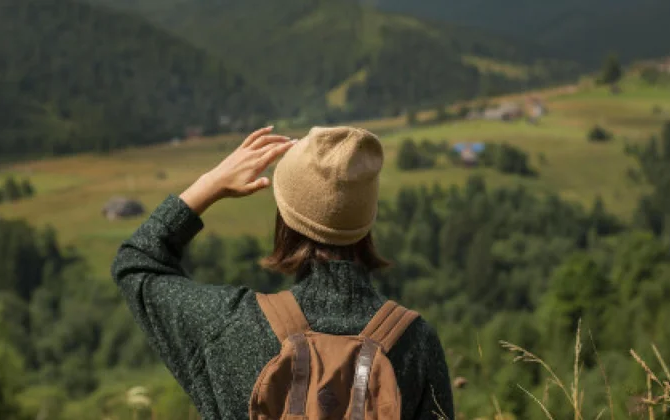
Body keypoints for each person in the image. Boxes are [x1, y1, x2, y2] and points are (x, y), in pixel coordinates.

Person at [112, 126, 454, 419]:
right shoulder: (415, 343)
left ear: (286, 219)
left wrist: (210, 184)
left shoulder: (230, 325)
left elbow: (136, 261)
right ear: (367, 220)